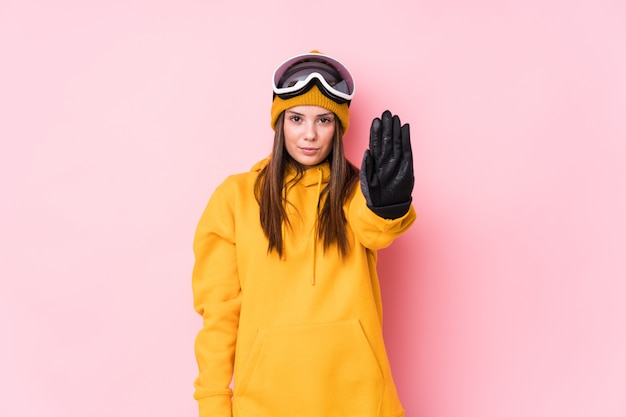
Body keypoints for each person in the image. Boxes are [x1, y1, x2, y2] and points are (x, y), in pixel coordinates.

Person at [191, 50, 416, 417]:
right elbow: (219, 313)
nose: (309, 134)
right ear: (280, 123)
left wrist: (388, 206)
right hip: (266, 403)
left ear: (338, 127)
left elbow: (376, 232)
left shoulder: (356, 195)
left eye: (323, 120)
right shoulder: (234, 198)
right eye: (296, 118)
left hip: (358, 398)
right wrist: (214, 403)